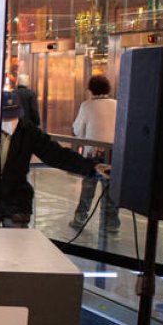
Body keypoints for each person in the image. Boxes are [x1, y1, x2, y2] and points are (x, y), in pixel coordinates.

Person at [0, 91, 105, 227]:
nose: (10, 123)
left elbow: (56, 154)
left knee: (15, 242)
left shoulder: (28, 131)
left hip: (17, 201)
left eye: (14, 117)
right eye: (6, 118)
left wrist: (91, 167)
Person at [70, 74, 119, 233]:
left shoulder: (87, 106)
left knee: (88, 189)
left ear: (90, 89)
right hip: (113, 153)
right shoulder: (117, 105)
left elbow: (77, 130)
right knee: (110, 191)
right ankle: (110, 224)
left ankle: (79, 219)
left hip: (93, 154)